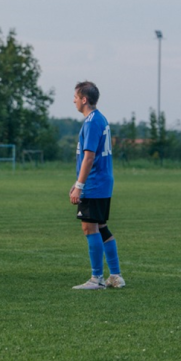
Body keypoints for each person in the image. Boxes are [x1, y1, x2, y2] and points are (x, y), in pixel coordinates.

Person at [69, 81, 125, 290]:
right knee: (101, 226)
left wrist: (79, 185)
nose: (73, 100)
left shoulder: (92, 122)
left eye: (75, 97)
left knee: (89, 226)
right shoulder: (100, 119)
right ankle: (115, 275)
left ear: (84, 99)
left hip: (94, 183)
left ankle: (96, 279)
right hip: (102, 181)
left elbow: (89, 157)